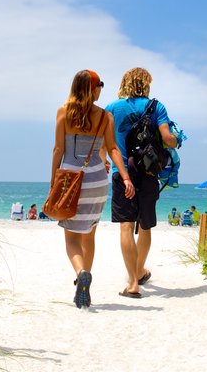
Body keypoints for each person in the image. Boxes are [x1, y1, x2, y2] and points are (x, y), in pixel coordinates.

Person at [52, 69, 132, 308]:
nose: (100, 91)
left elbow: (58, 150)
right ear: (91, 89)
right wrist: (125, 177)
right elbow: (113, 149)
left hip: (70, 179)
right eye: (99, 86)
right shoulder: (104, 116)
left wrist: (53, 182)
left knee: (71, 239)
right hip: (97, 179)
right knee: (90, 235)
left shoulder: (63, 112)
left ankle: (81, 275)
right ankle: (85, 278)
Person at [106, 67, 179, 298]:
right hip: (147, 173)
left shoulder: (112, 108)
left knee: (126, 226)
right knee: (145, 226)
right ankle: (138, 271)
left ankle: (133, 283)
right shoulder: (157, 106)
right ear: (146, 84)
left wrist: (104, 162)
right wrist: (176, 140)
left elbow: (104, 143)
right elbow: (168, 139)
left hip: (123, 173)